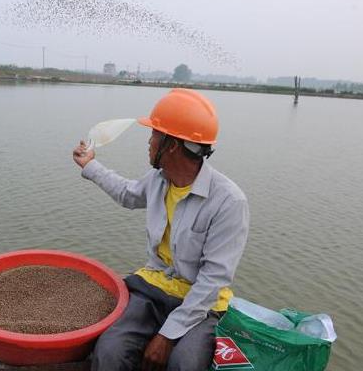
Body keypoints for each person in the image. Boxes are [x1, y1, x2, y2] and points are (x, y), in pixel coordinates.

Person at [72, 88, 249, 371]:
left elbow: (214, 278)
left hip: (201, 304)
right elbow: (127, 194)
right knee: (110, 351)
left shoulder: (228, 201)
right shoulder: (158, 179)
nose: (149, 142)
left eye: (154, 134)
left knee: (184, 364)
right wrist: (90, 165)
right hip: (152, 287)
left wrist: (167, 335)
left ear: (172, 146)